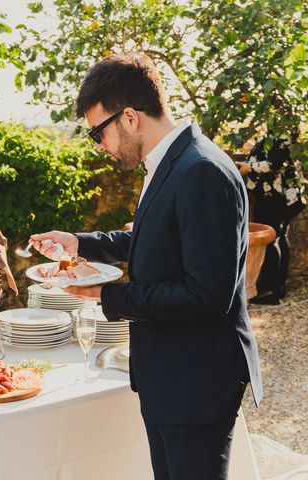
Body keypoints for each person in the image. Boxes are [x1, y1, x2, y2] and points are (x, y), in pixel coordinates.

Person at [31, 53, 262, 480]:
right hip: (169, 376)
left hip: (196, 381)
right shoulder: (170, 161)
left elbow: (207, 295)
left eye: (98, 133)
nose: (99, 147)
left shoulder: (203, 171)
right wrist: (80, 242)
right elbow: (158, 241)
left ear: (131, 117)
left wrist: (106, 294)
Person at [245, 136, 306, 304]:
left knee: (274, 239)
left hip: (275, 196)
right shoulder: (272, 132)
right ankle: (274, 286)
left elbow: (274, 163)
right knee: (278, 238)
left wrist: (247, 167)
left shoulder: (281, 132)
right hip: (272, 195)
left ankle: (273, 290)